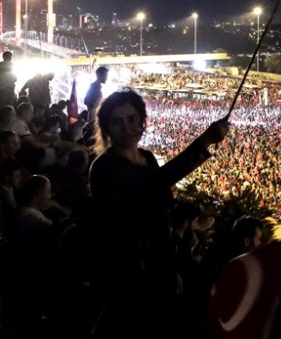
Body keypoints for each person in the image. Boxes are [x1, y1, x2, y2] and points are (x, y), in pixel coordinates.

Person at [88, 89, 229, 337]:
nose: (127, 127)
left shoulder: (147, 157)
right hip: (128, 272)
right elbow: (153, 184)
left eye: (132, 119)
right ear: (107, 128)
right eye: (117, 121)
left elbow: (159, 209)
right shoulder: (104, 168)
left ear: (143, 120)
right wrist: (203, 141)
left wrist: (169, 267)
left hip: (158, 265)